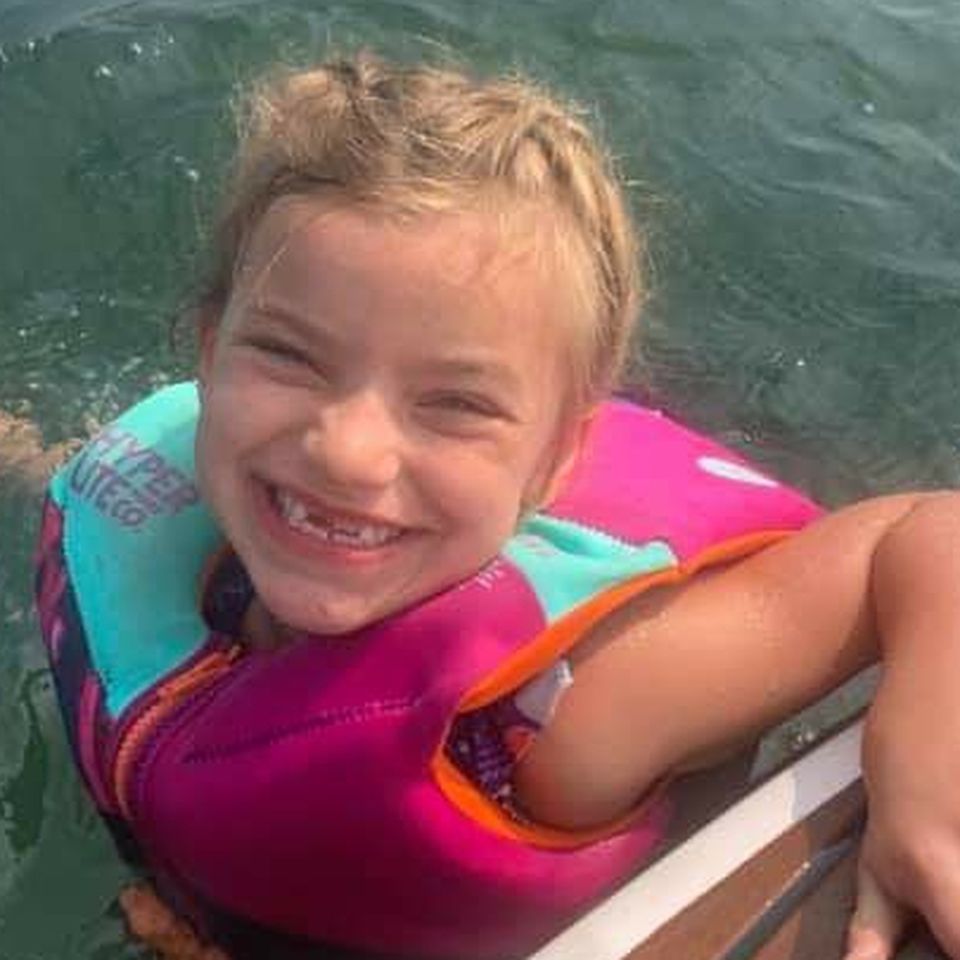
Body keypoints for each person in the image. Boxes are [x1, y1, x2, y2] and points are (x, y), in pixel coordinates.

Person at [15, 52, 960, 960]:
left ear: (554, 459)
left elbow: (925, 533)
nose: (346, 450)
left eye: (455, 403)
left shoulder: (569, 718)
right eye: (289, 355)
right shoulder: (204, 510)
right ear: (209, 356)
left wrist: (924, 767)